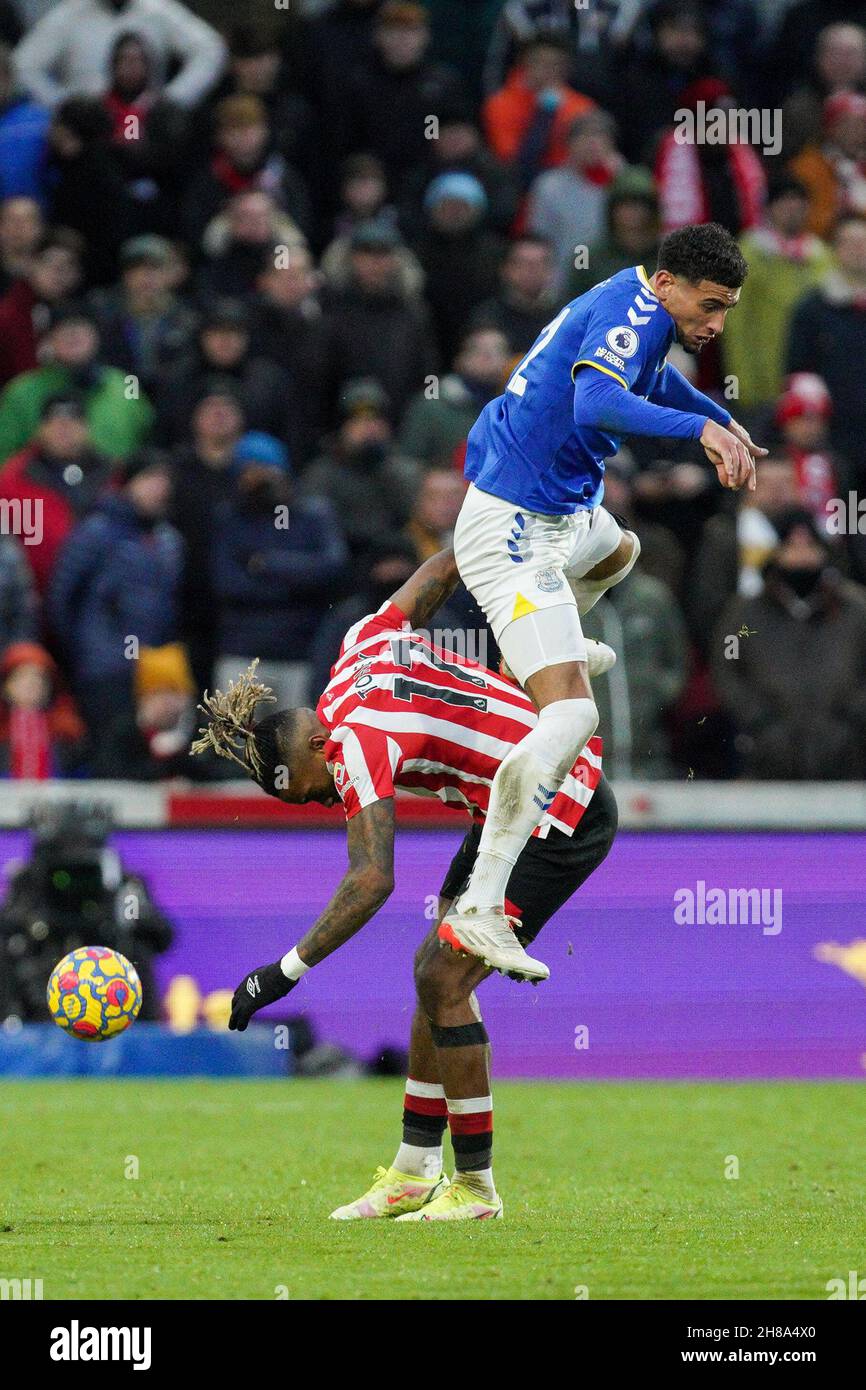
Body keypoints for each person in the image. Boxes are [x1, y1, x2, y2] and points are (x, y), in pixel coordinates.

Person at [191, 546, 617, 1221]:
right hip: (511, 799)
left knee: (443, 977)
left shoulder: (348, 744)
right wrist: (502, 542)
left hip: (563, 803)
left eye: (310, 793)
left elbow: (372, 879)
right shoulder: (359, 646)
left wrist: (282, 972)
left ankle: (476, 1190)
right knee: (433, 971)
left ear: (315, 749)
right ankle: (415, 1170)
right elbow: (447, 568)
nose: (324, 803)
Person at [441, 221, 767, 980]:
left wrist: (716, 417)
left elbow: (646, 379)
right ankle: (480, 904)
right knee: (574, 715)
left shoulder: (636, 301)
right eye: (711, 305)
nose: (716, 324)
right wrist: (700, 434)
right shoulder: (633, 312)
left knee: (622, 549)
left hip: (559, 517)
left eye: (727, 310)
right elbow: (595, 404)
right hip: (516, 532)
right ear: (668, 285)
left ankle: (559, 640)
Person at [14, 0, 226, 111]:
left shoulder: (158, 9)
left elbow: (210, 48)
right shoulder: (69, 13)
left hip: (141, 122)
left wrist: (173, 100)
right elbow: (22, 66)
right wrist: (61, 105)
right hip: (90, 127)